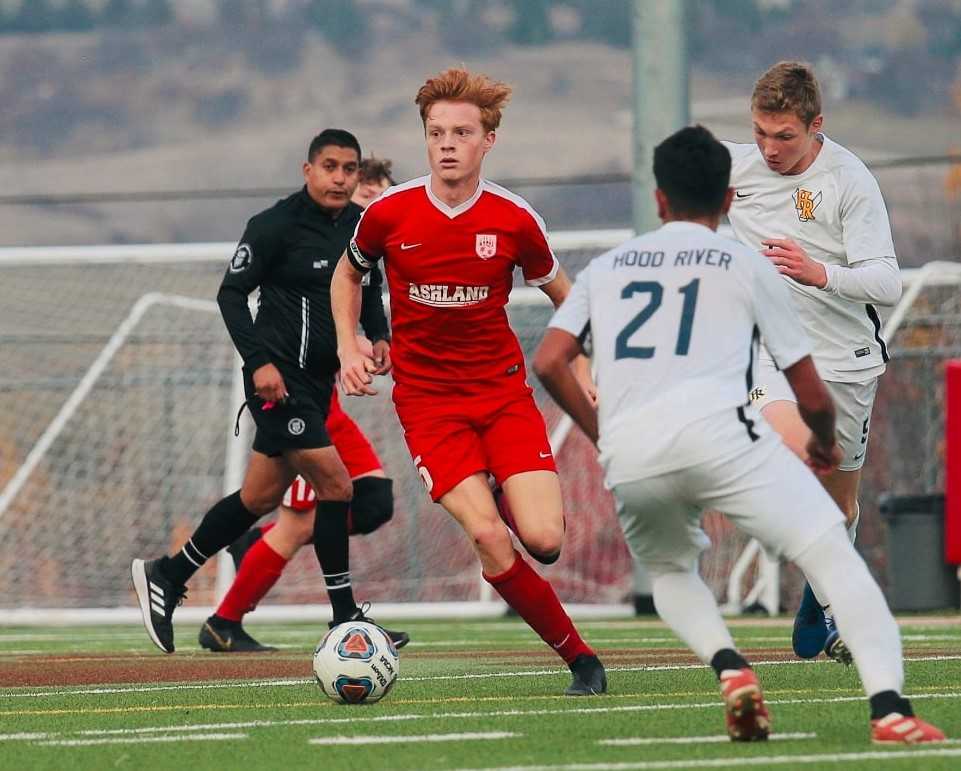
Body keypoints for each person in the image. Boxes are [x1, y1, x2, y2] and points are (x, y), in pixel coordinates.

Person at [534, 124, 943, 744]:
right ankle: (889, 708)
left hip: (635, 452)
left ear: (659, 200)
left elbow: (549, 360)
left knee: (671, 574)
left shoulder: (607, 268)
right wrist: (824, 440)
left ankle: (729, 667)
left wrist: (602, 436)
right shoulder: (741, 260)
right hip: (723, 439)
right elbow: (806, 385)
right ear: (729, 202)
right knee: (835, 554)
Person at [331, 67, 607, 696]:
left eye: (462, 132)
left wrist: (583, 364)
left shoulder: (513, 218)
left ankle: (507, 487)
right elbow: (347, 276)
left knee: (543, 541)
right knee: (487, 536)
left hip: (503, 395)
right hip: (429, 405)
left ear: (488, 141)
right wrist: (349, 343)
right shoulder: (389, 215)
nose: (447, 143)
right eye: (436, 133)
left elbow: (566, 295)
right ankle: (582, 660)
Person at [131, 129, 404, 653]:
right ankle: (345, 618)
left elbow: (367, 288)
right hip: (280, 385)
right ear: (308, 170)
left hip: (316, 387)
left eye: (349, 169)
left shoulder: (359, 227)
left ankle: (167, 574)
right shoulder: (275, 226)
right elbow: (231, 294)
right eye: (330, 167)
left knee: (257, 499)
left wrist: (380, 335)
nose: (341, 178)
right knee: (338, 489)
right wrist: (258, 363)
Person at [723, 61, 902, 664]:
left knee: (838, 503)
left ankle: (818, 601)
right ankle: (839, 606)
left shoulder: (850, 180)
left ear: (815, 125)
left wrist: (817, 271)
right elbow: (673, 174)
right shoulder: (737, 167)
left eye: (784, 137)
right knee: (796, 457)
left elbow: (886, 283)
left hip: (844, 360)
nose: (769, 149)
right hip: (766, 353)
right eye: (760, 133)